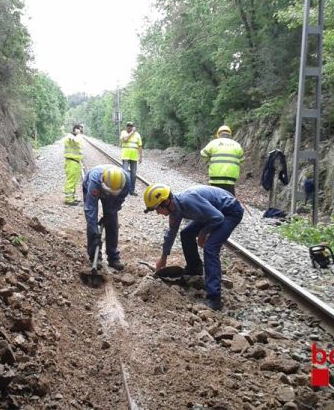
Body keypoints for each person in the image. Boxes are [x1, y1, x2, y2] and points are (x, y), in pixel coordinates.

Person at [144, 183, 244, 311]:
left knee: (210, 248)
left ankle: (214, 298)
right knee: (186, 233)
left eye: (157, 208)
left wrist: (203, 233)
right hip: (212, 212)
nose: (157, 213)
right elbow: (171, 234)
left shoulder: (188, 201)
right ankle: (194, 269)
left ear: (167, 202)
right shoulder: (175, 210)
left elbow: (218, 218)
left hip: (229, 211)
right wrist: (163, 257)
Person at [82, 165, 131, 271]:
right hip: (94, 187)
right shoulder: (95, 180)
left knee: (112, 221)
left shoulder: (126, 182)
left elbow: (119, 201)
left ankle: (113, 258)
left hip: (113, 194)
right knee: (92, 223)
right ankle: (94, 257)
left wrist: (110, 214)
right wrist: (95, 232)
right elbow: (90, 209)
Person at [199, 125, 244, 196]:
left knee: (215, 198)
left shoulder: (213, 143)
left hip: (215, 177)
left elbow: (203, 154)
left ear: (218, 134)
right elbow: (242, 159)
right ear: (229, 135)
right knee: (229, 199)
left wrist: (210, 158)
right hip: (231, 178)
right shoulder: (237, 145)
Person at [63, 124, 85, 205]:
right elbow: (77, 141)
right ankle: (68, 199)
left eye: (82, 131)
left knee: (75, 181)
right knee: (71, 180)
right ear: (75, 129)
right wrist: (79, 134)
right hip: (71, 162)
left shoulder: (75, 137)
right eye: (80, 130)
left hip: (76, 162)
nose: (81, 132)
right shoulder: (70, 137)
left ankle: (73, 197)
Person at [119, 122, 143, 196]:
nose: (130, 128)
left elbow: (140, 146)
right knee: (125, 173)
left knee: (133, 174)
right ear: (126, 127)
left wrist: (141, 156)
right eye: (128, 126)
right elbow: (125, 139)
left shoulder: (138, 135)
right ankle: (123, 190)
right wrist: (132, 132)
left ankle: (131, 190)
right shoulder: (123, 133)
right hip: (125, 156)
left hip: (134, 157)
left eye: (131, 126)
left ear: (133, 127)